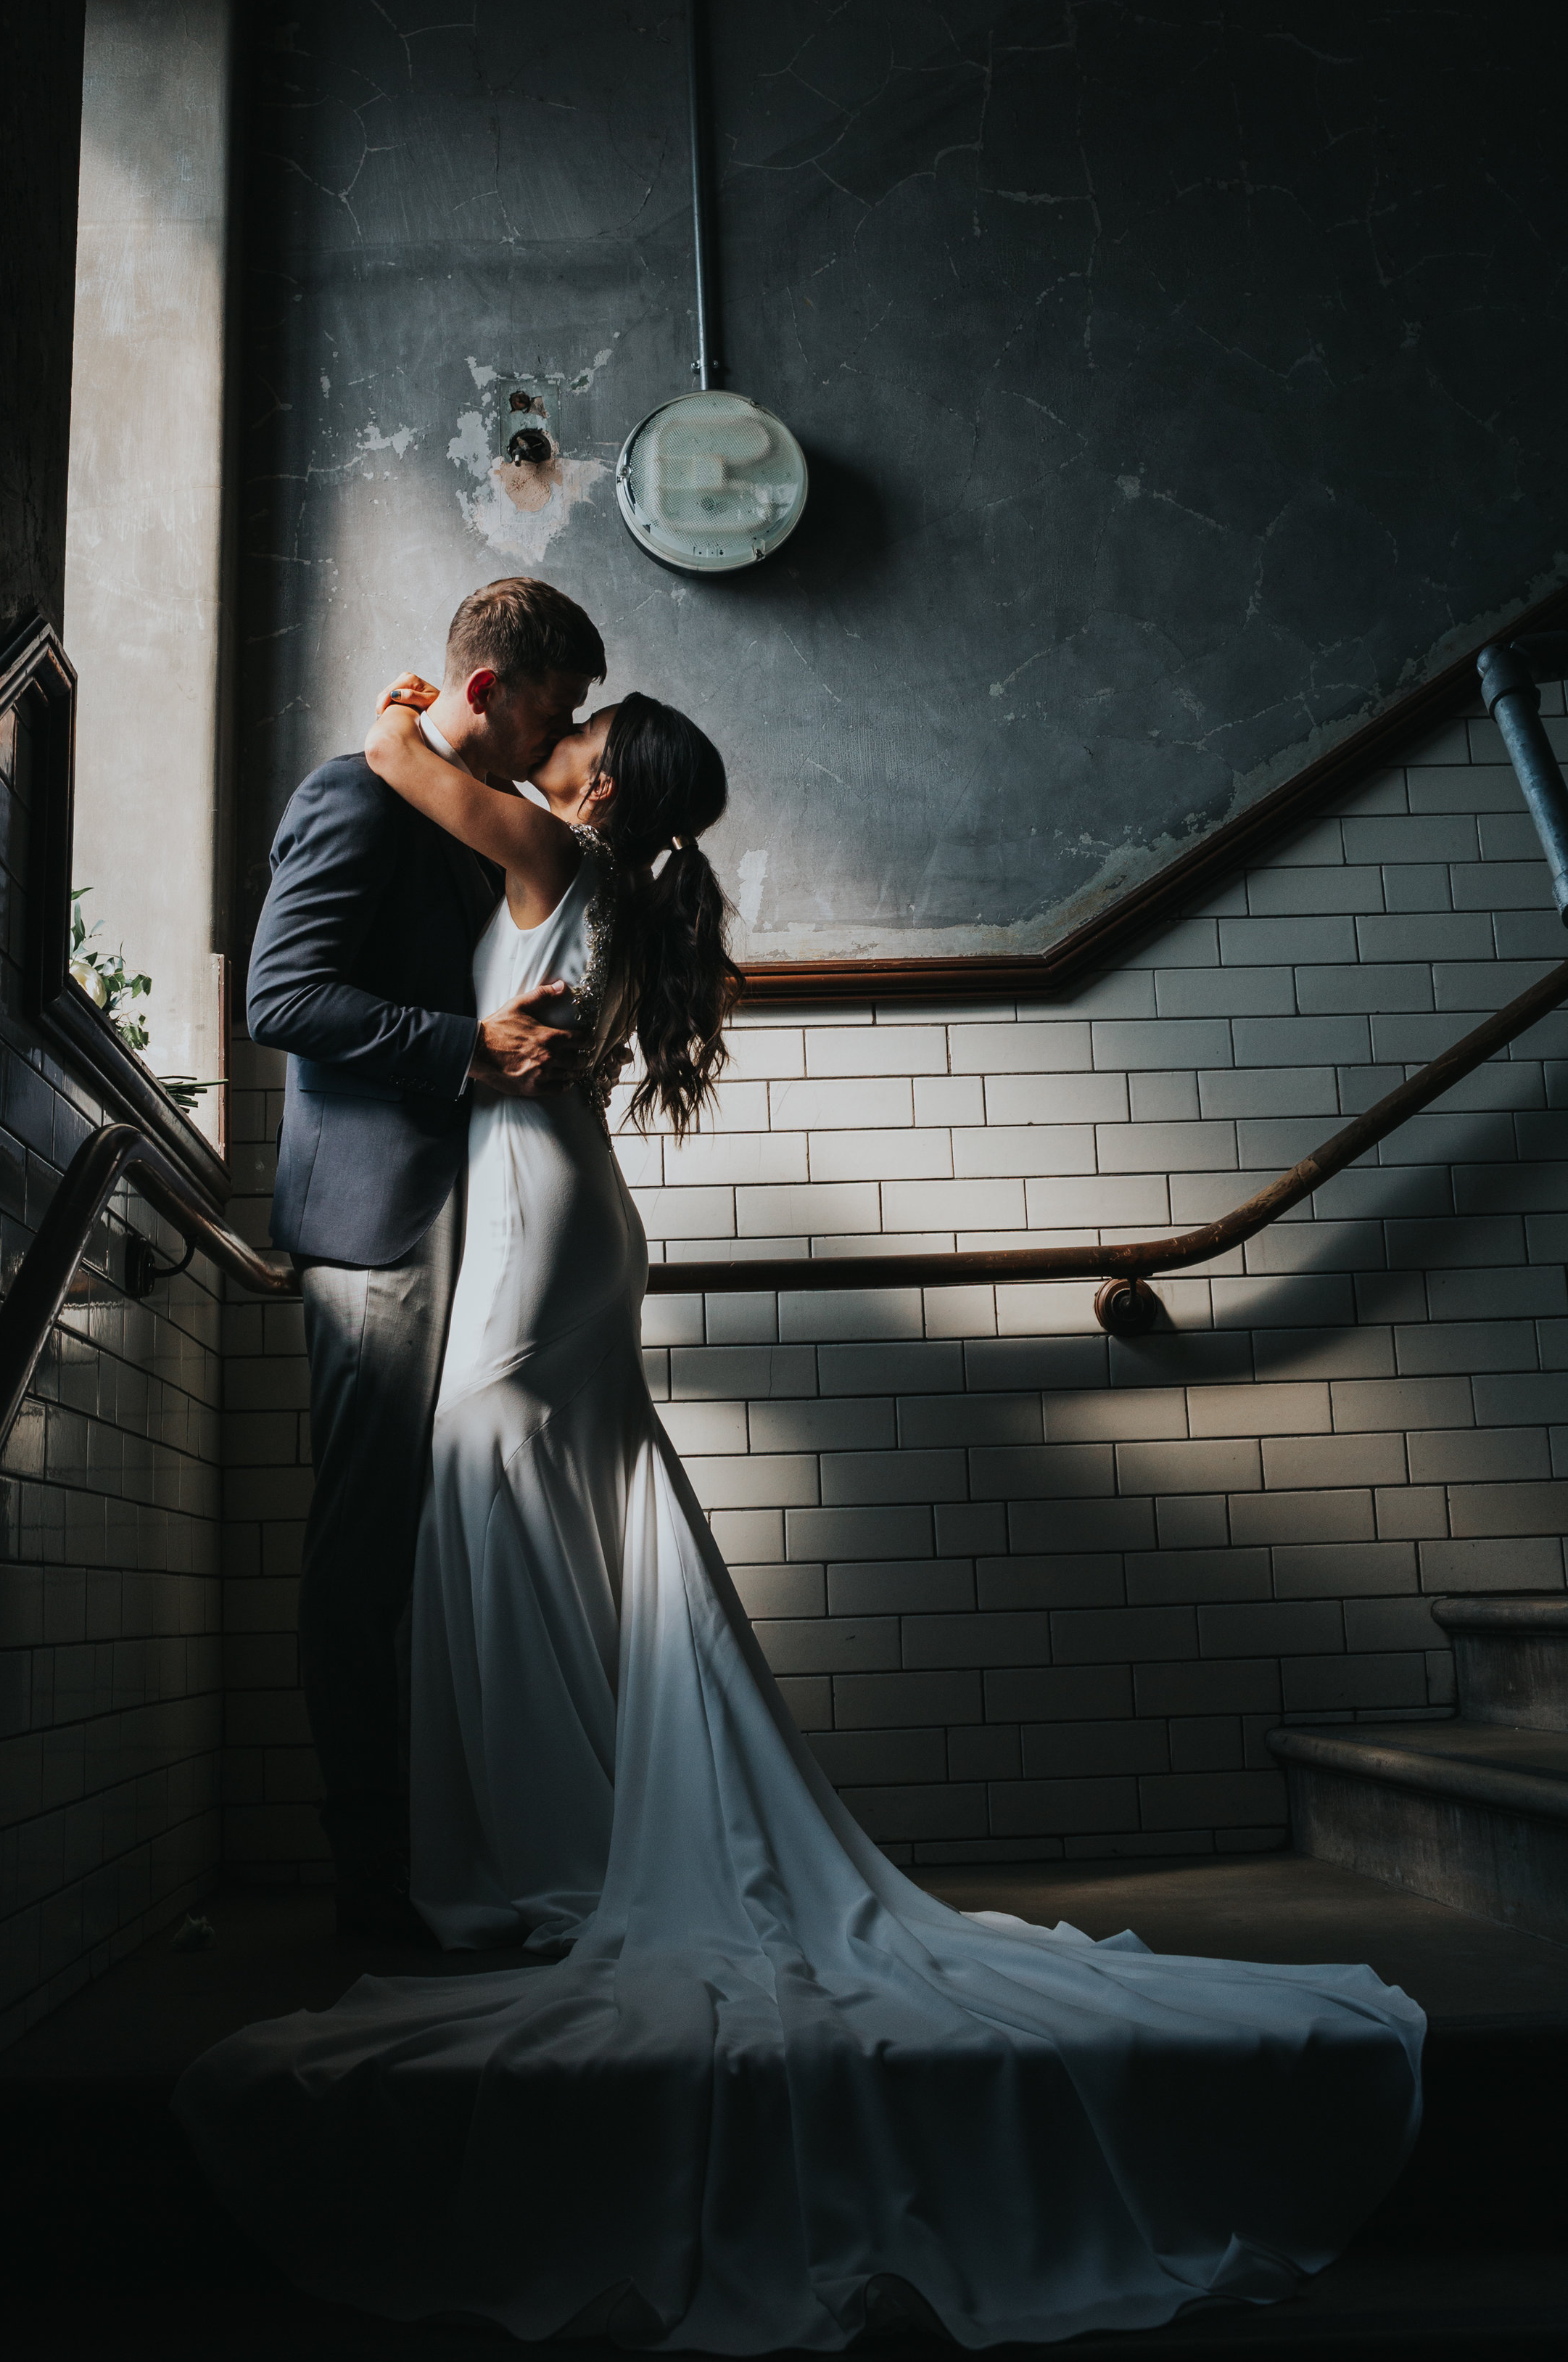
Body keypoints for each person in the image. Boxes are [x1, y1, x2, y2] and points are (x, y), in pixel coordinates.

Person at [183, 681, 1425, 2352]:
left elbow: (401, 754)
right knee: (537, 1510)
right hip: (555, 1214)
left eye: (577, 725)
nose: (554, 737)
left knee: (497, 1486)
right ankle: (556, 1825)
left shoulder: (559, 849)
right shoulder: (611, 876)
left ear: (602, 773)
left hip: (542, 1219)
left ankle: (539, 1845)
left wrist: (426, 699)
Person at [242, 575, 606, 1939]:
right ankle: (373, 1893)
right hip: (377, 1227)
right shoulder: (353, 793)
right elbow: (283, 995)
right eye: (550, 712)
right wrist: (474, 1050)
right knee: (365, 1561)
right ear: (486, 689)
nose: (555, 742)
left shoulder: (466, 814)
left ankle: (456, 1866)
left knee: (443, 1551)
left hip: (471, 1216)